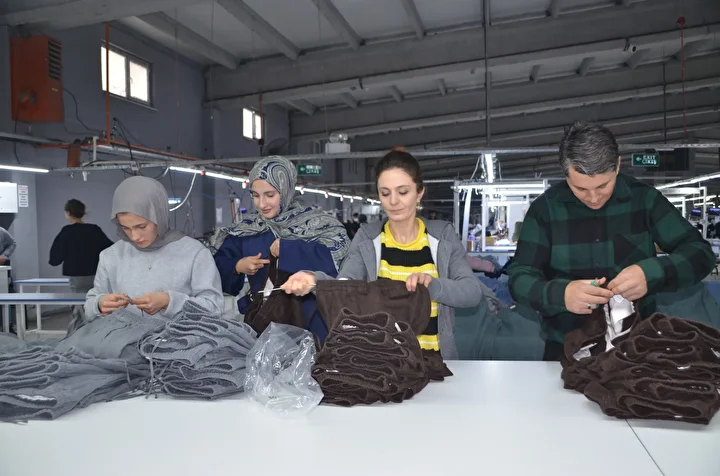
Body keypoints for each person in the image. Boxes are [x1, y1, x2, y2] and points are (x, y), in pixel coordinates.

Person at [509, 121, 715, 361]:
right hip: (566, 348)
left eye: (603, 186)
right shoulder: (545, 211)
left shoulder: (645, 200)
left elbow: (700, 254)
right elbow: (519, 277)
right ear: (566, 174)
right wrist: (561, 295)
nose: (593, 198)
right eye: (581, 189)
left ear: (617, 166)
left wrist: (652, 273)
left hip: (639, 347)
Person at [282, 150, 483, 359]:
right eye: (385, 193)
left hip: (437, 362)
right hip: (383, 366)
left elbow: (472, 292)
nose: (393, 201)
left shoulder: (443, 237)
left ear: (419, 192)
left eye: (403, 192)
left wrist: (433, 285)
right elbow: (346, 286)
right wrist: (315, 281)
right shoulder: (367, 239)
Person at [209, 156, 349, 342]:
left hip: (313, 322)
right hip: (266, 325)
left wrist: (290, 250)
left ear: (285, 190)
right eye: (255, 196)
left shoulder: (319, 225)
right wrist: (237, 266)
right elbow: (216, 265)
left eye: (269, 195)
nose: (261, 204)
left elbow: (339, 262)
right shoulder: (247, 231)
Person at [85, 176, 223, 321]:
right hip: (122, 335)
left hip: (177, 335)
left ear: (159, 216)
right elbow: (90, 307)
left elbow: (214, 308)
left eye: (141, 226)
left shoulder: (194, 253)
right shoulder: (111, 256)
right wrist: (99, 305)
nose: (134, 237)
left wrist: (169, 301)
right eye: (126, 228)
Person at [49, 199, 114, 332]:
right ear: (83, 213)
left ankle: (77, 335)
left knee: (79, 309)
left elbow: (55, 258)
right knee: (95, 305)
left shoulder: (66, 231)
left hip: (77, 277)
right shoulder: (94, 230)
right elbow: (110, 248)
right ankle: (97, 333)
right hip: (96, 275)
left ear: (68, 213)